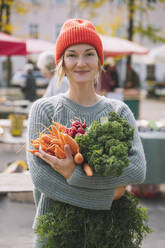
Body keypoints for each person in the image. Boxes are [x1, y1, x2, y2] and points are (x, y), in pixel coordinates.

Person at [27, 19, 146, 248]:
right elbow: (43, 180)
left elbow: (137, 170)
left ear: (99, 60)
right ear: (61, 61)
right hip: (56, 234)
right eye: (71, 55)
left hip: (111, 231)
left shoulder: (118, 111)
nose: (80, 63)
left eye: (89, 54)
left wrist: (73, 174)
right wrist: (108, 195)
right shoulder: (44, 110)